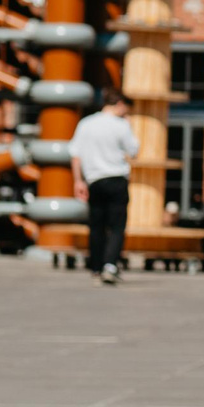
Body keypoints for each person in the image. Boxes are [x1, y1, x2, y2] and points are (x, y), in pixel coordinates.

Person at [72, 88, 141, 284]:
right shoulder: (121, 125)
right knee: (117, 226)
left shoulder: (86, 124)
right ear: (119, 104)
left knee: (96, 226)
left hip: (94, 180)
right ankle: (110, 265)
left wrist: (78, 181)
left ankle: (96, 267)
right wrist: (129, 125)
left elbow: (75, 155)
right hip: (116, 179)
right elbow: (134, 150)